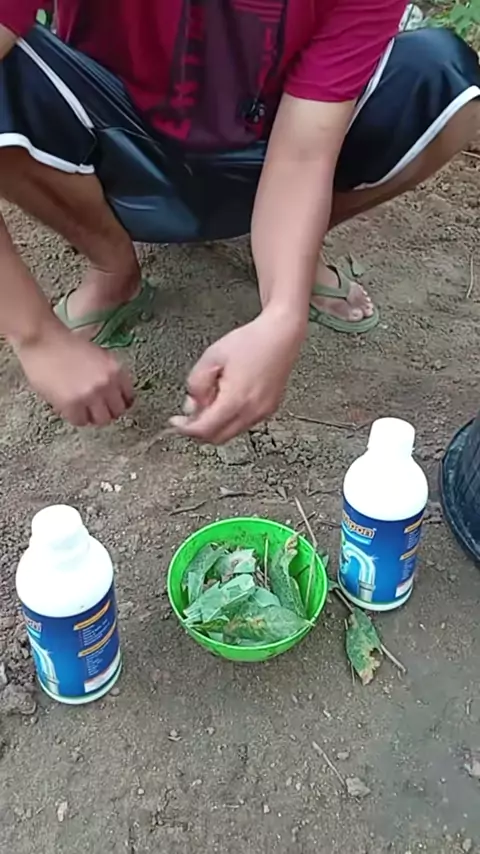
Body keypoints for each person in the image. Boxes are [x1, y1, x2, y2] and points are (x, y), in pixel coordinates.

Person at [0, 3, 479, 445]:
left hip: (269, 146)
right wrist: (37, 337)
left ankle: (288, 256)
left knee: (447, 82)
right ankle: (112, 266)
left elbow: (305, 149)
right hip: (110, 132)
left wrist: (283, 314)